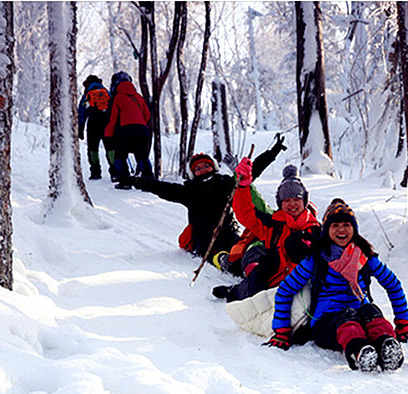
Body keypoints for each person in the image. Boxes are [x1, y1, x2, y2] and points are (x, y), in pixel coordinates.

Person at [264, 198, 408, 372]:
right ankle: (359, 352)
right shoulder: (316, 259)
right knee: (347, 317)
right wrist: (282, 332)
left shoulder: (365, 257)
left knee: (371, 310)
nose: (341, 230)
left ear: (354, 229)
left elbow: (393, 285)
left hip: (361, 316)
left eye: (346, 224)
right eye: (335, 225)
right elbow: (285, 290)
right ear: (327, 230)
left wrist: (403, 325)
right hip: (326, 324)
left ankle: (387, 345)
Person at [131, 134, 287, 263]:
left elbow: (252, 171)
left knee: (238, 246)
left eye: (206, 165)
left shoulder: (225, 183)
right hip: (203, 236)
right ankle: (223, 263)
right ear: (193, 173)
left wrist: (272, 153)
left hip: (227, 229)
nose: (203, 169)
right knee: (209, 251)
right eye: (197, 169)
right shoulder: (189, 190)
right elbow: (162, 188)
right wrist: (138, 182)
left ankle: (251, 263)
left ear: (214, 167)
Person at [212, 158, 320, 302]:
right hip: (273, 282)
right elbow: (246, 214)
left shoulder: (316, 229)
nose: (292, 204)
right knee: (257, 278)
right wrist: (243, 186)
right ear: (280, 203)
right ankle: (234, 290)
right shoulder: (272, 224)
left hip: (303, 283)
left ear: (304, 201)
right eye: (286, 200)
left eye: (296, 199)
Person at [104, 74, 152, 188]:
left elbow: (113, 118)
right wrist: (140, 124)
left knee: (120, 156)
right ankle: (149, 180)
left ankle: (125, 181)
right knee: (142, 156)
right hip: (142, 130)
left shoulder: (117, 97)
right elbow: (147, 114)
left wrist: (108, 134)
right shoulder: (138, 97)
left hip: (124, 131)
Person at [77, 75, 115, 181]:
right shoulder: (107, 93)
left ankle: (95, 172)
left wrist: (80, 129)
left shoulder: (87, 95)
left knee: (93, 149)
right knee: (110, 148)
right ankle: (115, 171)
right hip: (107, 124)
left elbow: (81, 113)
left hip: (93, 124)